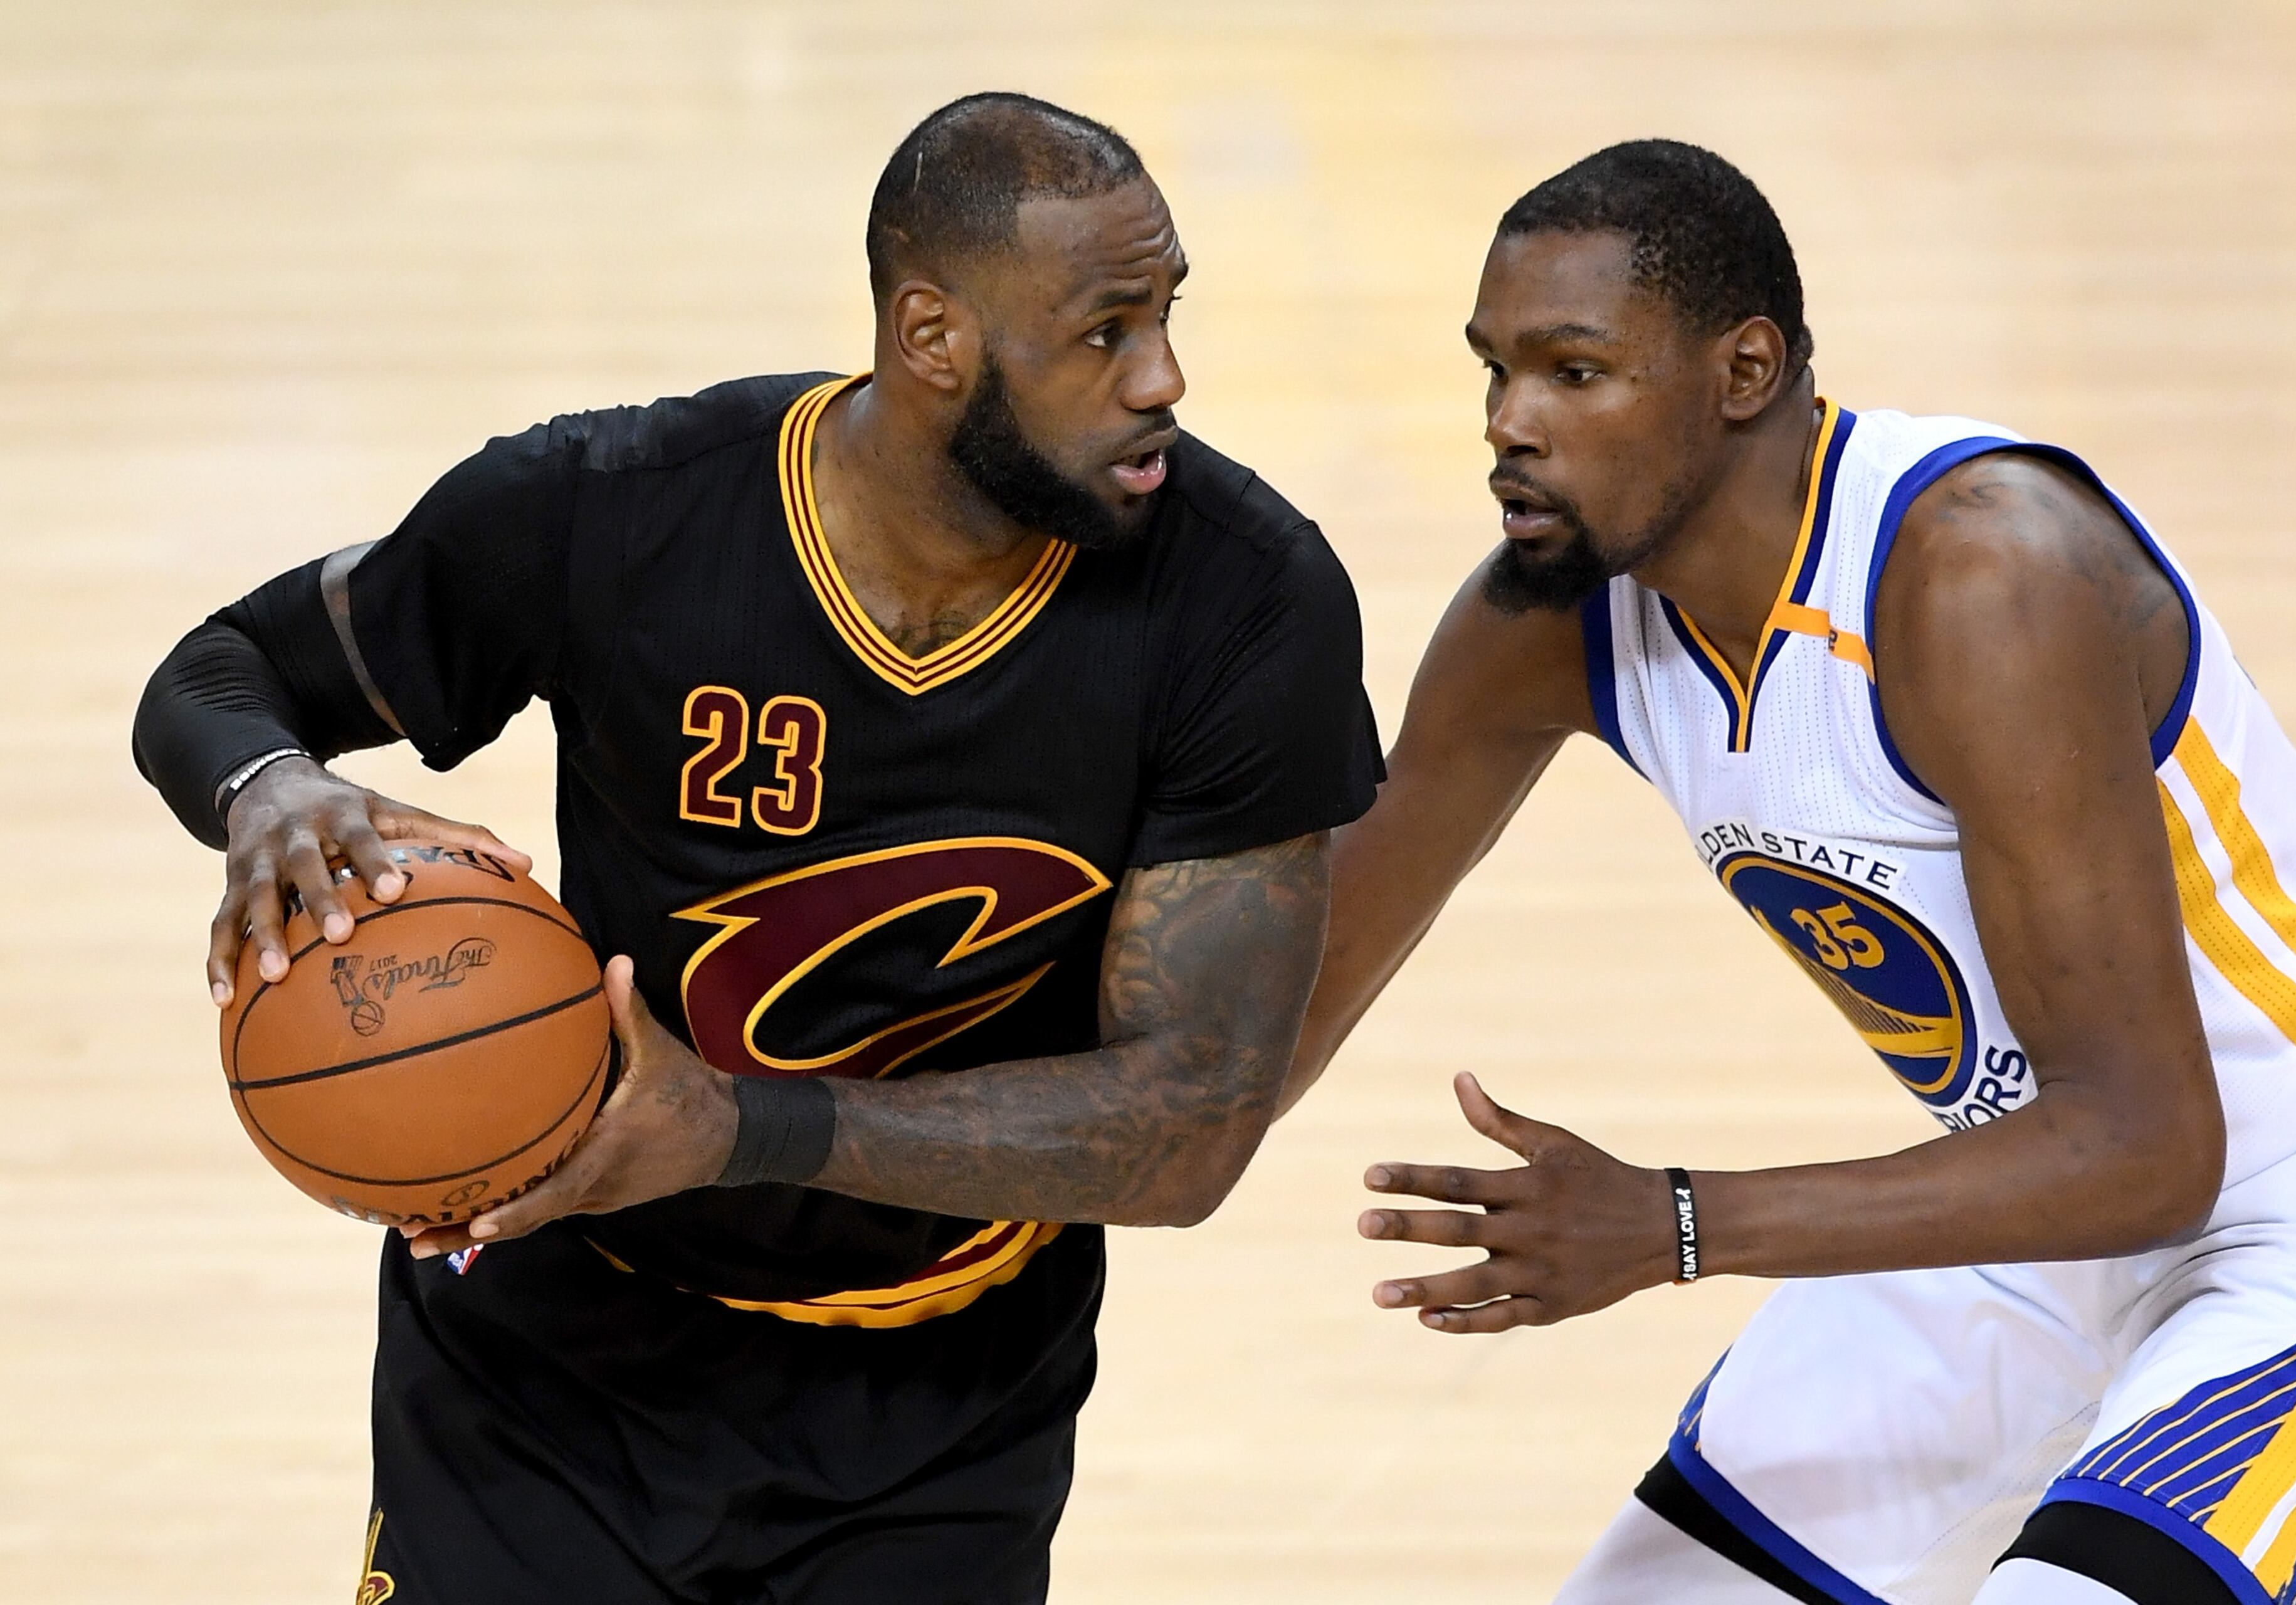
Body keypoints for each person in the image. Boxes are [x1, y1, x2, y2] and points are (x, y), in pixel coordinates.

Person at [133, 92, 1380, 1605]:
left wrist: (738, 1126)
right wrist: (268, 786)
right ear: (935, 339)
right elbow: (216, 676)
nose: (1165, 378)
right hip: (547, 1349)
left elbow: (1191, 1124)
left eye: (1168, 313)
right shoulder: (613, 512)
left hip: (941, 1398)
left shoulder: (1246, 611)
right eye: (1105, 331)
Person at [1289, 139, 2296, 1605]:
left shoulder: (1980, 579)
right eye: (1495, 370)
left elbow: (2151, 1144)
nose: (1509, 422)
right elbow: (1269, 1012)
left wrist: (1674, 1221)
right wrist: (939, 1130)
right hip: (2031, 1203)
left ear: (1742, 369)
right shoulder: (1547, 620)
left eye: (1573, 371)